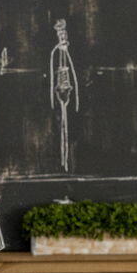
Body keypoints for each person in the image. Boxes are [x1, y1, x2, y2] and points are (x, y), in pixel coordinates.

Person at [47, 17, 80, 171]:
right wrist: (55, 96)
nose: (63, 38)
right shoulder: (55, 54)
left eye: (65, 36)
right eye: (61, 36)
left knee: (69, 125)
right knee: (61, 126)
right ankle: (62, 161)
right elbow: (53, 76)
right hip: (60, 92)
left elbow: (74, 74)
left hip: (69, 93)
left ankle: (68, 162)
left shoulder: (70, 54)